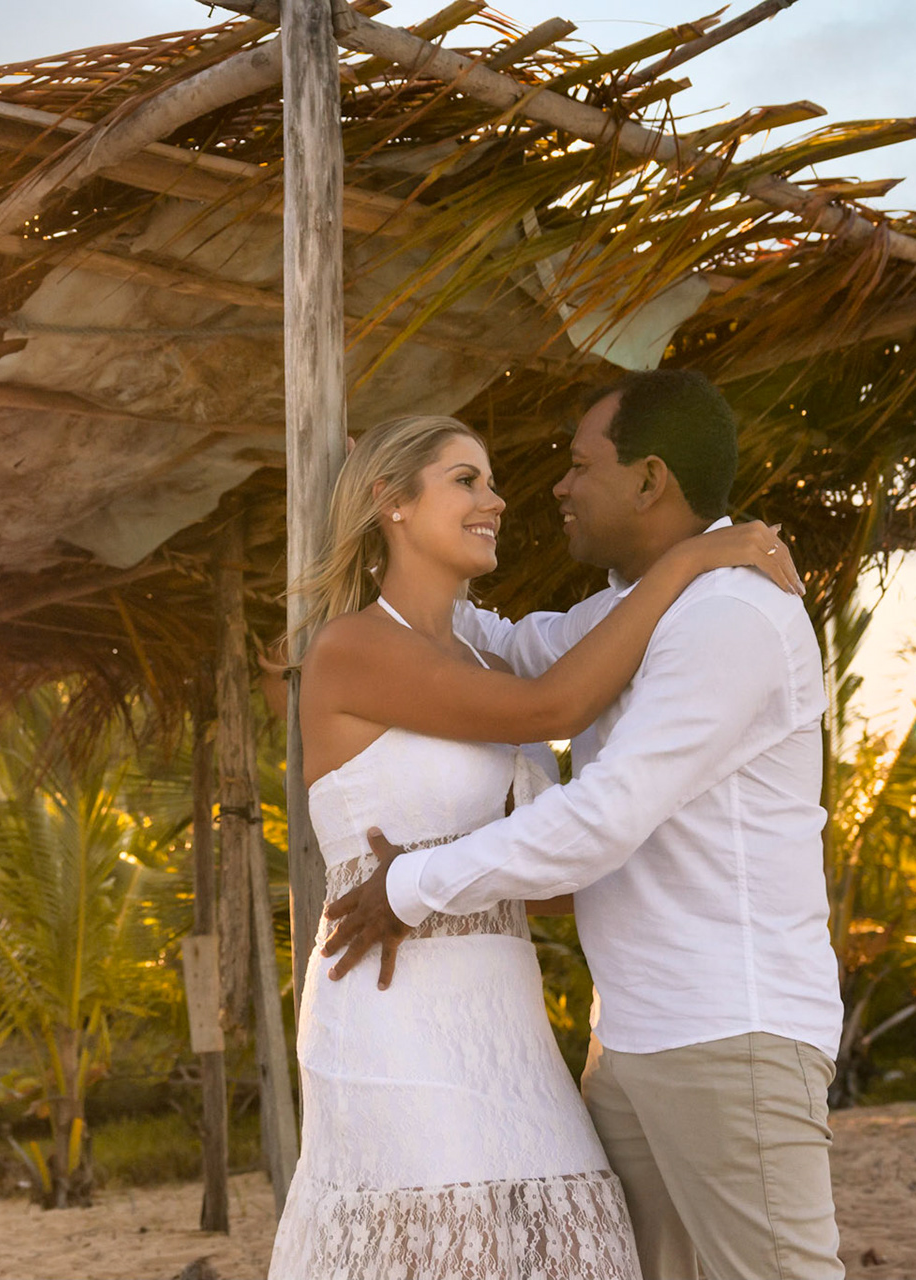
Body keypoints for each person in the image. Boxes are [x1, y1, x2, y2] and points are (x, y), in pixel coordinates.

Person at [323, 369, 845, 1280]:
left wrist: (410, 885)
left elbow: (601, 811)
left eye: (579, 464)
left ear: (648, 480)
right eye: (470, 480)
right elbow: (506, 649)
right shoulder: (633, 610)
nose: (555, 487)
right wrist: (396, 531)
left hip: (729, 1029)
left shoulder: (729, 615)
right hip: (631, 1038)